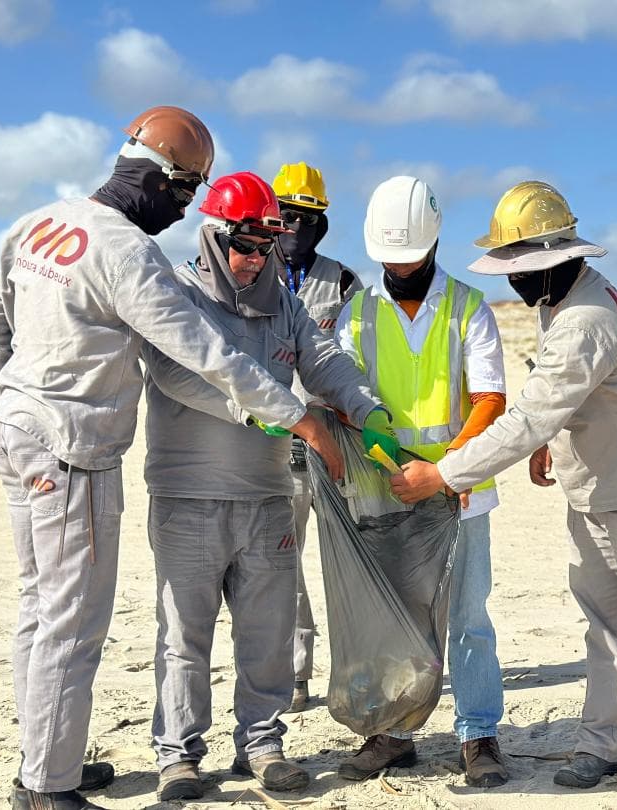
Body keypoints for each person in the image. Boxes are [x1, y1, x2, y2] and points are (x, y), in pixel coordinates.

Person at [0, 107, 344, 810]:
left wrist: (9, 404)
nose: (178, 217)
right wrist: (297, 418)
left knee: (37, 607)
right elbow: (204, 355)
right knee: (72, 621)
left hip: (20, 432)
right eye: (183, 197)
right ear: (166, 181)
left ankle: (46, 759)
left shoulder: (42, 222)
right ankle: (47, 789)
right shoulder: (128, 252)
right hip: (72, 447)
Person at [390, 181, 617, 792]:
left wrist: (446, 473)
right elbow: (557, 409)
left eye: (520, 266)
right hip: (593, 486)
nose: (512, 279)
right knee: (604, 623)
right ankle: (602, 744)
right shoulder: (559, 303)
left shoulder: (584, 321)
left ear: (557, 257)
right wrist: (548, 445)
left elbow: (531, 413)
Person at [139, 171, 389, 800]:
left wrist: (366, 410)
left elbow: (325, 361)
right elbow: (179, 375)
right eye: (244, 246)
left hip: (267, 497)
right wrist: (282, 414)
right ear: (214, 238)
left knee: (268, 633)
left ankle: (263, 743)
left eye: (267, 246)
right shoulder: (175, 294)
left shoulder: (285, 302)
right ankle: (179, 755)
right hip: (188, 498)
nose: (255, 260)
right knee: (184, 634)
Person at [334, 175, 510, 788]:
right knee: (397, 620)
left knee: (468, 618)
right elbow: (347, 400)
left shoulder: (468, 307)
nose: (400, 267)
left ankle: (478, 733)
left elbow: (490, 399)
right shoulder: (355, 316)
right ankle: (396, 732)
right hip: (387, 492)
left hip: (460, 493)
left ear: (434, 244)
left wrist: (444, 470)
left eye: (410, 257)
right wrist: (394, 466)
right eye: (390, 258)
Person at [270, 162, 363, 713]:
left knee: (345, 557)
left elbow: (356, 358)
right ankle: (295, 669)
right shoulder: (250, 272)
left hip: (331, 438)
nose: (296, 226)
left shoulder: (344, 282)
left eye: (308, 216)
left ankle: (357, 665)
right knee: (285, 557)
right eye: (287, 215)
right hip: (271, 436)